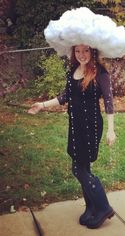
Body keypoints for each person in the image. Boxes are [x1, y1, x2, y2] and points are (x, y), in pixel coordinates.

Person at [28, 44, 116, 228]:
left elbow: (108, 101)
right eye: (78, 51)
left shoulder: (100, 72)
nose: (81, 55)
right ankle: (91, 207)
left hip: (91, 127)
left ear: (93, 51)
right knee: (83, 166)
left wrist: (111, 129)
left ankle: (103, 207)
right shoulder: (73, 71)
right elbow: (65, 96)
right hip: (75, 126)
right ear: (73, 53)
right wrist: (42, 105)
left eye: (85, 51)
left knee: (78, 169)